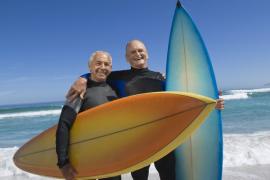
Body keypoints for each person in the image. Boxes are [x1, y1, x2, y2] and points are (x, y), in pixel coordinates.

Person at [66, 40, 225, 180]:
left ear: (147, 54)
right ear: (127, 58)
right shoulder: (119, 77)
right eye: (132, 52)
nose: (137, 54)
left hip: (164, 138)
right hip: (137, 141)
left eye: (140, 50)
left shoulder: (162, 78)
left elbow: (187, 98)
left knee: (169, 176)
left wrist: (212, 103)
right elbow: (97, 73)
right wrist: (82, 78)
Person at [56, 51, 121, 180]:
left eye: (107, 64)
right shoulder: (80, 91)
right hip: (84, 160)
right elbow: (63, 125)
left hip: (110, 159)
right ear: (90, 66)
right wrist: (63, 162)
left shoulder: (115, 90)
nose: (103, 67)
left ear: (111, 68)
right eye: (98, 63)